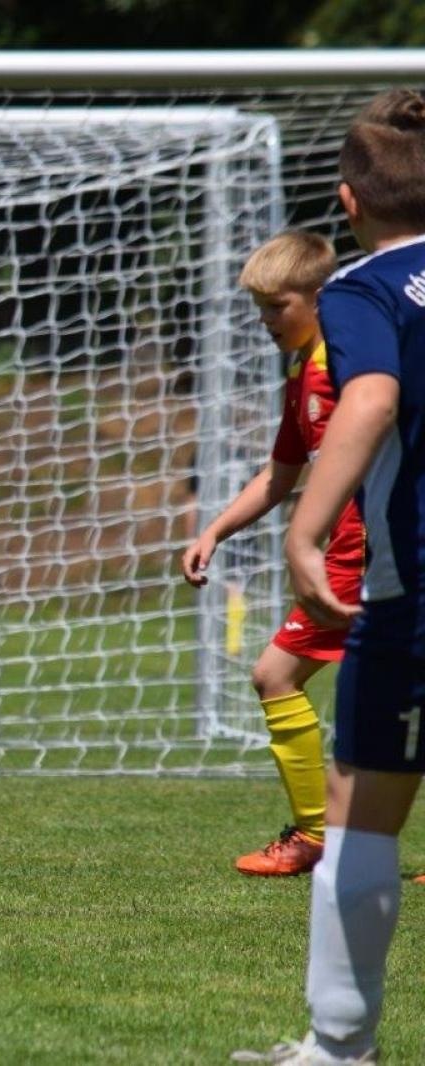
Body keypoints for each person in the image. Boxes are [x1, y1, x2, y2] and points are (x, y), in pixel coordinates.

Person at [233, 89, 425, 1066]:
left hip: (412, 588)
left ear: (348, 203)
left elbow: (374, 397)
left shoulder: (361, 290)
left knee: (359, 817)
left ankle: (340, 1047)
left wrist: (306, 532)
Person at [181, 231, 348, 878]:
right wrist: (214, 532)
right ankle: (318, 833)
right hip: (352, 552)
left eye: (277, 306)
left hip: (365, 553)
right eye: (259, 308)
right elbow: (281, 474)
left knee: (275, 675)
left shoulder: (347, 367)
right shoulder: (303, 372)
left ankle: (314, 835)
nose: (265, 320)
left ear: (318, 297)